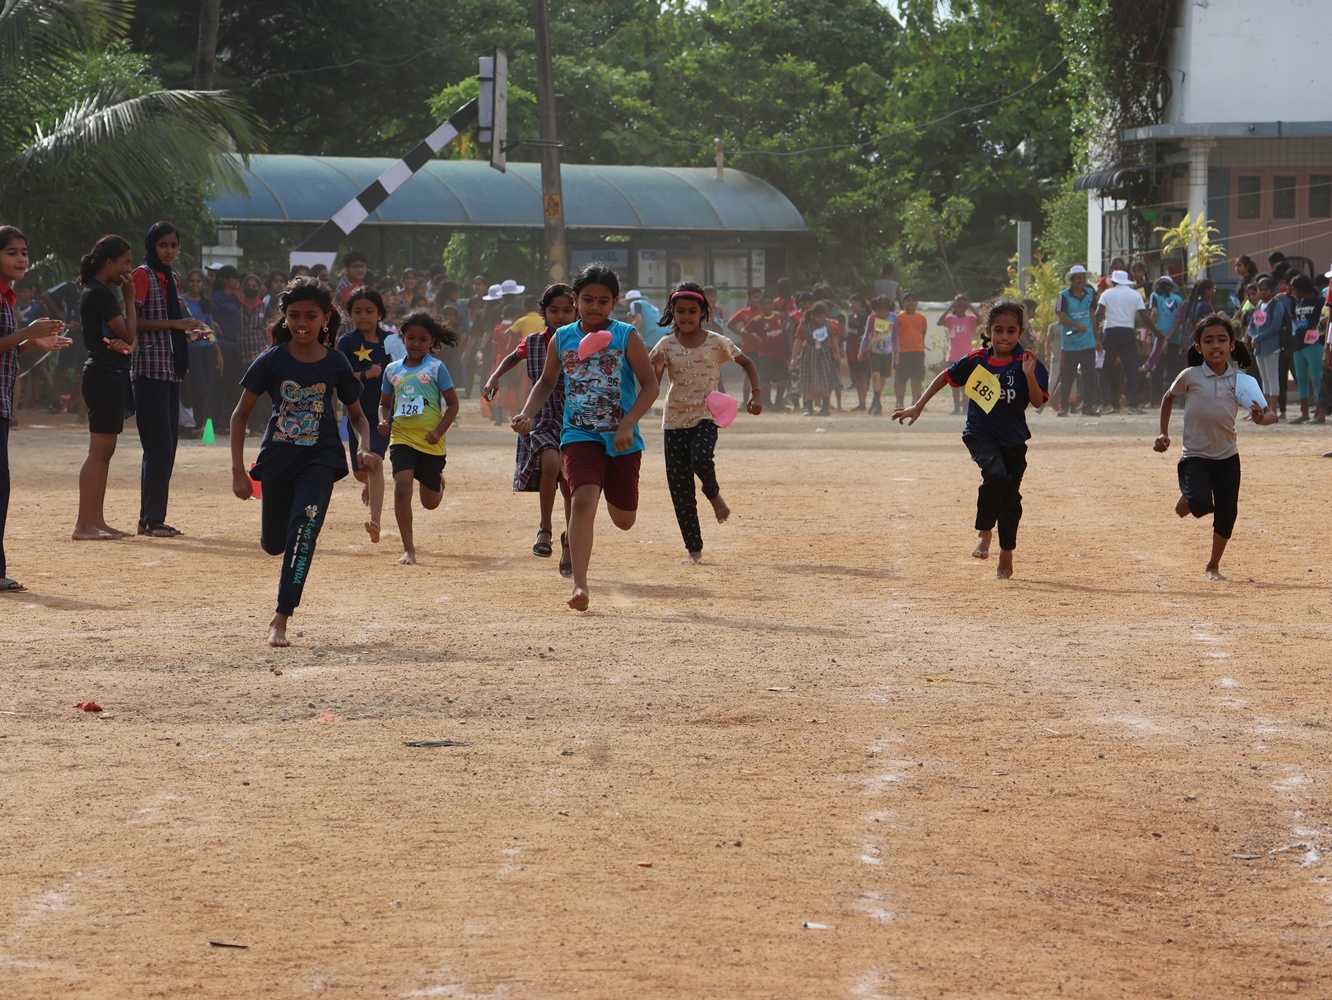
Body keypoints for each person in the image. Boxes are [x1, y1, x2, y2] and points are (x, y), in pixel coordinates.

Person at [230, 277, 379, 647]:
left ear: (326, 318)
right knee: (274, 543)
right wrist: (237, 470)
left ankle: (281, 617)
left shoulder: (336, 363)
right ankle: (279, 564)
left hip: (321, 458)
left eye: (310, 316)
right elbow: (239, 416)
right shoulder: (271, 361)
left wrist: (363, 446)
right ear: (283, 316)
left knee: (304, 532)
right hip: (278, 459)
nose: (301, 323)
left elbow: (358, 416)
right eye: (294, 315)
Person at [511, 263, 659, 611]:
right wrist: (527, 414)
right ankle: (580, 585)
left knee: (624, 520)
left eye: (603, 301)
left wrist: (628, 424)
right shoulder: (562, 337)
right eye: (588, 299)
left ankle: (610, 485)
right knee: (582, 501)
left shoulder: (626, 336)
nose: (595, 307)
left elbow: (650, 384)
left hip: (622, 440)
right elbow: (546, 381)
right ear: (575, 299)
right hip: (578, 435)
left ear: (615, 303)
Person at [892, 299, 1049, 580]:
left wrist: (1029, 377)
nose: (1004, 336)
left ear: (1020, 332)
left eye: (1011, 331)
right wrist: (919, 405)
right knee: (996, 474)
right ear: (988, 330)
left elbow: (1037, 402)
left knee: (1011, 499)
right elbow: (946, 376)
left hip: (1013, 440)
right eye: (998, 330)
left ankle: (1006, 553)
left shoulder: (1027, 363)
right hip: (980, 434)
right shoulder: (977, 359)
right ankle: (984, 532)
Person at [648, 282, 762, 562]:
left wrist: (756, 394)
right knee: (680, 488)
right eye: (680, 311)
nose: (686, 316)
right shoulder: (665, 345)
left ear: (703, 312)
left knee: (700, 460)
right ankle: (694, 551)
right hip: (674, 420)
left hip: (706, 416)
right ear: (672, 312)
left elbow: (747, 363)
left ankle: (713, 494)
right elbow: (653, 382)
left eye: (692, 311)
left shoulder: (716, 342)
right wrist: (657, 367)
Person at [1155, 314, 1275, 579]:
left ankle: (1213, 565)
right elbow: (1168, 397)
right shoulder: (1191, 375)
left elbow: (1270, 415)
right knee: (1198, 503)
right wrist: (1163, 432)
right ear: (1198, 347)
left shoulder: (1242, 382)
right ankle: (1191, 496)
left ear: (1232, 344)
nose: (1215, 345)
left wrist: (1259, 418)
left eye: (1221, 339)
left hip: (1228, 458)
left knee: (1227, 514)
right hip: (1195, 456)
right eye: (1208, 341)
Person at [484, 283, 577, 572]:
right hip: (541, 414)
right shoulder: (535, 341)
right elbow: (513, 357)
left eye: (566, 310)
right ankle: (545, 528)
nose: (560, 316)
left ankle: (571, 542)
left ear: (576, 310)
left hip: (576, 416)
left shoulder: (584, 341)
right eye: (554, 311)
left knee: (570, 482)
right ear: (543, 312)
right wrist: (494, 378)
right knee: (551, 464)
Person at [0, 226, 72, 591]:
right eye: (12, 252)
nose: (21, 259)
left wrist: (35, 342)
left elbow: (6, 348)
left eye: (24, 252)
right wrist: (28, 332)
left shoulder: (8, 298)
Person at [130, 222, 210, 537]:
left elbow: (168, 326)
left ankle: (151, 517)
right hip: (147, 369)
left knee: (168, 445)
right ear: (152, 246)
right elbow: (131, 322)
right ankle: (151, 519)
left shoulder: (172, 279)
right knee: (158, 445)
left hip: (170, 369)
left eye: (174, 245)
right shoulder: (142, 275)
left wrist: (185, 333)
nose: (169, 250)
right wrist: (176, 324)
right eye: (163, 245)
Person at [378, 311, 460, 566]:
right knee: (402, 488)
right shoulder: (392, 370)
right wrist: (383, 419)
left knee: (430, 503)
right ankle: (409, 550)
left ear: (431, 341)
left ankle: (439, 483)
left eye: (422, 339)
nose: (416, 344)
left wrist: (438, 432)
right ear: (402, 338)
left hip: (430, 441)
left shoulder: (436, 368)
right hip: (401, 437)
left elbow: (453, 405)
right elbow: (384, 404)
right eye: (411, 338)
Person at [73, 235, 137, 541]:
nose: (129, 268)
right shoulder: (101, 293)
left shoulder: (97, 291)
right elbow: (129, 332)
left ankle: (96, 520)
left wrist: (125, 340)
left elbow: (125, 340)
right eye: (125, 262)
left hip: (108, 372)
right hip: (103, 374)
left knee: (105, 452)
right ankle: (84, 524)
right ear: (109, 263)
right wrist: (129, 297)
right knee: (98, 452)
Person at [338, 286, 392, 542]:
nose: (363, 316)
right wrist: (365, 374)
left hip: (382, 412)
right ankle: (368, 484)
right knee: (361, 472)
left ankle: (376, 521)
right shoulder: (347, 342)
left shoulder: (391, 341)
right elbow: (341, 376)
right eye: (357, 311)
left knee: (375, 462)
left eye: (369, 311)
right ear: (350, 314)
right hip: (356, 413)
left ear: (379, 313)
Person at [1095, 268, 1146, 412]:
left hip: (1110, 332)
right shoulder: (1135, 295)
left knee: (1103, 367)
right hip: (1127, 333)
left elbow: (1098, 314)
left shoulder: (1107, 294)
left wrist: (1096, 335)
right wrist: (1156, 333)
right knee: (1131, 368)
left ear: (1114, 282)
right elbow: (1144, 316)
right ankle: (1132, 404)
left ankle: (1106, 403)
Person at [180, 268, 221, 437]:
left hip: (207, 349)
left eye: (198, 281)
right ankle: (195, 423)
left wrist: (218, 353)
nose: (195, 284)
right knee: (199, 387)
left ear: (203, 284)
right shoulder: (181, 301)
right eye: (192, 281)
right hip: (192, 350)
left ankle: (202, 423)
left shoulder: (206, 302)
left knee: (207, 388)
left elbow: (209, 328)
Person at [1248, 275, 1289, 416]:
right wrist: (1254, 337)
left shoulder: (1276, 305)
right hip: (1259, 347)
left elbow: (1274, 327)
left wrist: (1258, 337)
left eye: (1266, 289)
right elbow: (1252, 324)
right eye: (1261, 289)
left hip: (1272, 346)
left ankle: (1274, 410)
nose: (1263, 292)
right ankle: (1266, 409)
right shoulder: (1259, 305)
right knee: (1264, 379)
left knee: (1272, 379)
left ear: (1272, 290)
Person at [739, 293, 788, 410]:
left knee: (783, 378)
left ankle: (778, 402)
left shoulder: (778, 316)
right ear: (761, 306)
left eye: (770, 304)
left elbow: (785, 325)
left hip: (780, 353)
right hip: (766, 354)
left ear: (773, 305)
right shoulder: (758, 320)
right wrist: (756, 338)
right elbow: (744, 331)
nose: (767, 306)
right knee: (765, 379)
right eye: (765, 304)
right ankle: (767, 403)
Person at [209, 265, 243, 433]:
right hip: (222, 345)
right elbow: (208, 318)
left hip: (235, 345)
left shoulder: (234, 299)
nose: (237, 281)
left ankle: (227, 421)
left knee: (234, 386)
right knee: (220, 385)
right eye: (234, 277)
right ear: (224, 280)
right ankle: (215, 422)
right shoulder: (216, 299)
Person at [792, 301, 840, 416]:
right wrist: (794, 358)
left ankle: (825, 408)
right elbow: (798, 341)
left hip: (825, 352)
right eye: (819, 317)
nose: (821, 320)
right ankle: (809, 408)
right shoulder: (804, 324)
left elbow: (833, 338)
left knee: (826, 378)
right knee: (808, 379)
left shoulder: (828, 324)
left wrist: (837, 352)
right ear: (813, 315)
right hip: (809, 352)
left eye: (823, 317)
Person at [1287, 273, 1323, 423]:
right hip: (1298, 343)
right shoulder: (1298, 301)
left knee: (1317, 378)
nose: (1293, 291)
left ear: (1302, 288)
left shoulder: (1319, 300)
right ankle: (1305, 412)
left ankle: (1320, 412)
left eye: (1294, 288)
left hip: (1314, 343)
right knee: (1301, 379)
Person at [1145, 276, 1185, 406]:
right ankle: (1173, 400)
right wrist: (1169, 338)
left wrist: (1150, 333)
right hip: (1174, 338)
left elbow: (1154, 313)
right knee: (1172, 370)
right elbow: (1179, 320)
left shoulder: (1154, 296)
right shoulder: (1179, 299)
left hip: (1158, 337)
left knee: (1157, 370)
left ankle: (1154, 401)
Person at [939, 295, 980, 414]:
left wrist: (971, 306)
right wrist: (950, 307)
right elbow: (939, 322)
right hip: (953, 355)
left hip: (967, 355)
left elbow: (981, 321)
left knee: (966, 383)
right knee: (954, 382)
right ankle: (956, 407)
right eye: (958, 306)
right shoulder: (951, 319)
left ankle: (965, 407)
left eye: (963, 306)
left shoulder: (971, 319)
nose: (961, 308)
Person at [859, 294, 896, 415]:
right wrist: (862, 350)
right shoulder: (872, 318)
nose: (882, 314)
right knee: (875, 375)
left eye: (884, 311)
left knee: (883, 378)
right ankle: (876, 402)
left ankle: (876, 401)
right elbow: (866, 335)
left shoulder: (894, 318)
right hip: (874, 351)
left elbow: (895, 336)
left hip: (887, 352)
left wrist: (897, 353)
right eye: (880, 311)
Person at [893, 292, 928, 409]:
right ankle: (899, 401)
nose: (910, 303)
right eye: (907, 300)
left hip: (917, 351)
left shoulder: (921, 318)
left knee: (917, 377)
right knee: (900, 377)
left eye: (913, 300)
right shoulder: (898, 318)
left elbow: (922, 333)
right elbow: (894, 335)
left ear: (916, 303)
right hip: (902, 351)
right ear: (903, 303)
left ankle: (917, 400)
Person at [845, 292, 871, 411]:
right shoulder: (851, 318)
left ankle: (863, 401)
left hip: (861, 350)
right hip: (851, 350)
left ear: (860, 304)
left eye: (854, 302)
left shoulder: (865, 317)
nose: (851, 305)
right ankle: (861, 401)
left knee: (862, 375)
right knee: (856, 375)